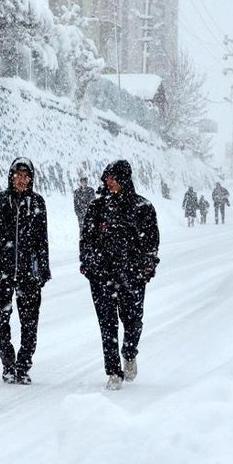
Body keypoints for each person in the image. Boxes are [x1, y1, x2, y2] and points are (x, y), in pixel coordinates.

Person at [79, 160, 159, 391]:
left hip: (132, 275)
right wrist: (88, 262)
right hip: (102, 276)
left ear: (125, 179)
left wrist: (147, 266)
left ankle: (129, 351)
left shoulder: (142, 207)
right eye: (107, 178)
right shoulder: (97, 207)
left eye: (114, 178)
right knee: (107, 324)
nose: (109, 182)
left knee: (133, 320)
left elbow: (151, 242)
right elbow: (87, 239)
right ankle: (113, 371)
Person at [0, 158, 50, 385]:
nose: (21, 179)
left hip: (29, 274)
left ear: (31, 179)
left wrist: (43, 269)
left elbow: (42, 241)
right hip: (2, 273)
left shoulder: (37, 203)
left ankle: (24, 365)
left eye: (25, 176)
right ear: (11, 176)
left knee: (30, 323)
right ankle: (7, 362)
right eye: (17, 175)